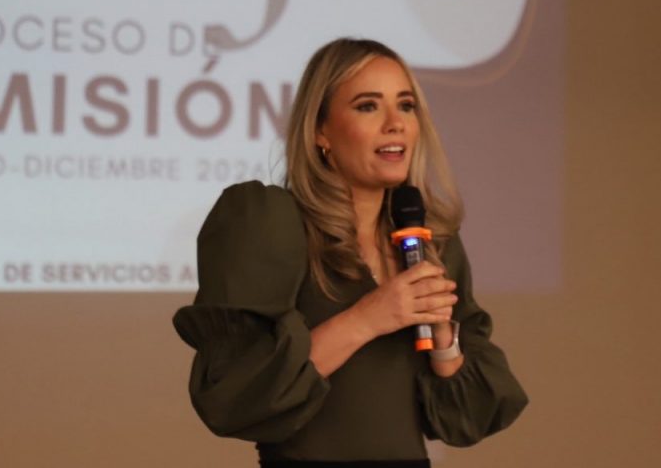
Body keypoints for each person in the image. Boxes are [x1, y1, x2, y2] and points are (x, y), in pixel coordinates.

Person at [174, 38, 528, 466]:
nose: (395, 124)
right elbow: (236, 396)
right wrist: (368, 318)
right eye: (368, 106)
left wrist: (443, 340)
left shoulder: (429, 243)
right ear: (320, 131)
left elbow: (469, 416)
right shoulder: (271, 221)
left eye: (406, 105)